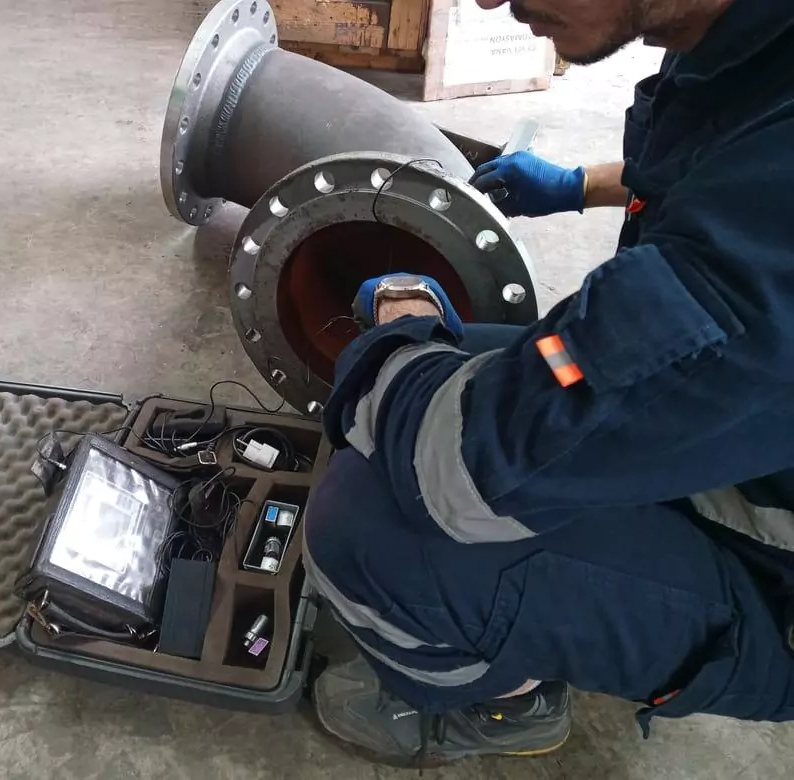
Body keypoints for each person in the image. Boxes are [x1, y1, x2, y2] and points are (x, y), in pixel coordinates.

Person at [303, 0, 794, 767]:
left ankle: (506, 706)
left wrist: (397, 334)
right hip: (745, 441)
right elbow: (713, 166)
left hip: (775, 574)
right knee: (456, 377)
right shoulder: (746, 42)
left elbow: (459, 472)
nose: (486, 2)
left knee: (365, 529)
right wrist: (577, 185)